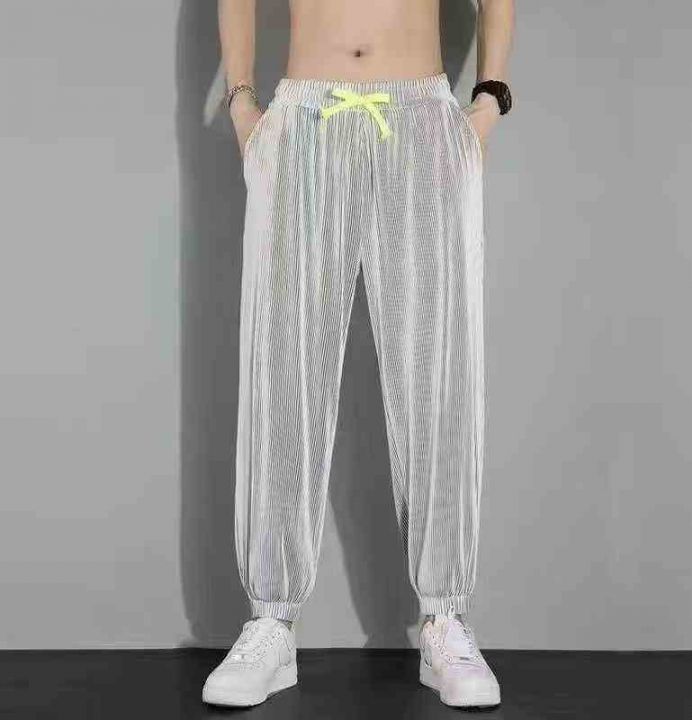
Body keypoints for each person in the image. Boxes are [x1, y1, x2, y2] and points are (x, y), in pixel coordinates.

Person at [203, 0, 514, 709]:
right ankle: (271, 622)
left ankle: (445, 619)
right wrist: (243, 102)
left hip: (423, 121)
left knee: (439, 368)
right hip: (306, 120)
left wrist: (489, 99)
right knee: (283, 365)